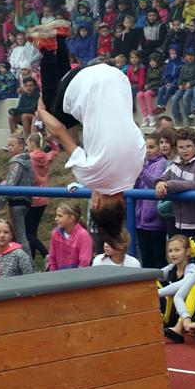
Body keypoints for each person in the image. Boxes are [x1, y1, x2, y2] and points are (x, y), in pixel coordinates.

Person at [30, 24, 146, 242]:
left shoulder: (137, 167)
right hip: (85, 83)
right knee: (54, 109)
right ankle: (47, 49)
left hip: (117, 78)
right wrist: (42, 112)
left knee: (66, 110)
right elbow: (59, 130)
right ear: (96, 203)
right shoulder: (92, 177)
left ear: (122, 204)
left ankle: (61, 39)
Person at [154, 127, 195, 240]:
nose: (184, 150)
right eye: (181, 147)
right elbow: (163, 177)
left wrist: (169, 185)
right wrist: (159, 182)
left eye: (188, 146)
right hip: (178, 224)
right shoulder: (176, 162)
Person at [0, 133, 33, 256]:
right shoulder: (29, 161)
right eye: (8, 145)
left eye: (12, 145)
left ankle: (28, 265)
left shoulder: (16, 162)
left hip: (17, 202)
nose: (10, 147)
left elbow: (11, 185)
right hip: (27, 200)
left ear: (21, 146)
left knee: (20, 235)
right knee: (21, 234)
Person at [134, 132, 167, 269]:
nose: (148, 151)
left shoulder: (161, 163)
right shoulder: (145, 163)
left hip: (154, 220)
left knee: (158, 258)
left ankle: (162, 287)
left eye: (151, 147)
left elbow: (153, 182)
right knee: (146, 258)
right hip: (139, 219)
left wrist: (140, 167)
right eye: (145, 147)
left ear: (160, 147)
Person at [26, 132, 60, 264]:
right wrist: (51, 141)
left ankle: (46, 254)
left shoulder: (29, 157)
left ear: (31, 143)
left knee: (27, 232)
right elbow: (56, 150)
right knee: (33, 232)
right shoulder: (46, 157)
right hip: (43, 199)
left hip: (32, 199)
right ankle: (32, 261)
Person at [157, 234, 195, 326]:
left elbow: (181, 285)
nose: (173, 254)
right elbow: (153, 275)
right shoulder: (171, 267)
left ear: (187, 251)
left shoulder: (192, 268)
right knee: (152, 282)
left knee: (172, 292)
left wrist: (156, 293)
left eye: (177, 250)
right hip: (173, 311)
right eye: (170, 251)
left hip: (188, 311)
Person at [48, 202, 93, 270]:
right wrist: (53, 273)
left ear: (71, 218)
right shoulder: (55, 233)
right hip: (58, 276)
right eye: (56, 215)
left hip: (77, 277)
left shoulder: (83, 235)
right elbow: (52, 257)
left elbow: (84, 262)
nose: (56, 219)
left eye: (60, 216)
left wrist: (75, 278)